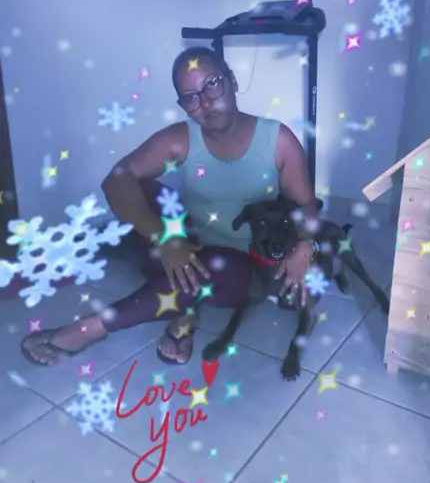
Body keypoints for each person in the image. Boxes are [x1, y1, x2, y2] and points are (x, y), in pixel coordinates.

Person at [21, 46, 319, 367]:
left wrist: (304, 247)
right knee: (140, 188)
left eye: (212, 84)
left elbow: (305, 205)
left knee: (217, 266)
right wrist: (164, 238)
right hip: (185, 247)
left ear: (232, 81)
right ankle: (184, 307)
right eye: (191, 97)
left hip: (244, 266)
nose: (205, 102)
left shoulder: (278, 140)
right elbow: (116, 181)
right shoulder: (181, 138)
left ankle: (95, 327)